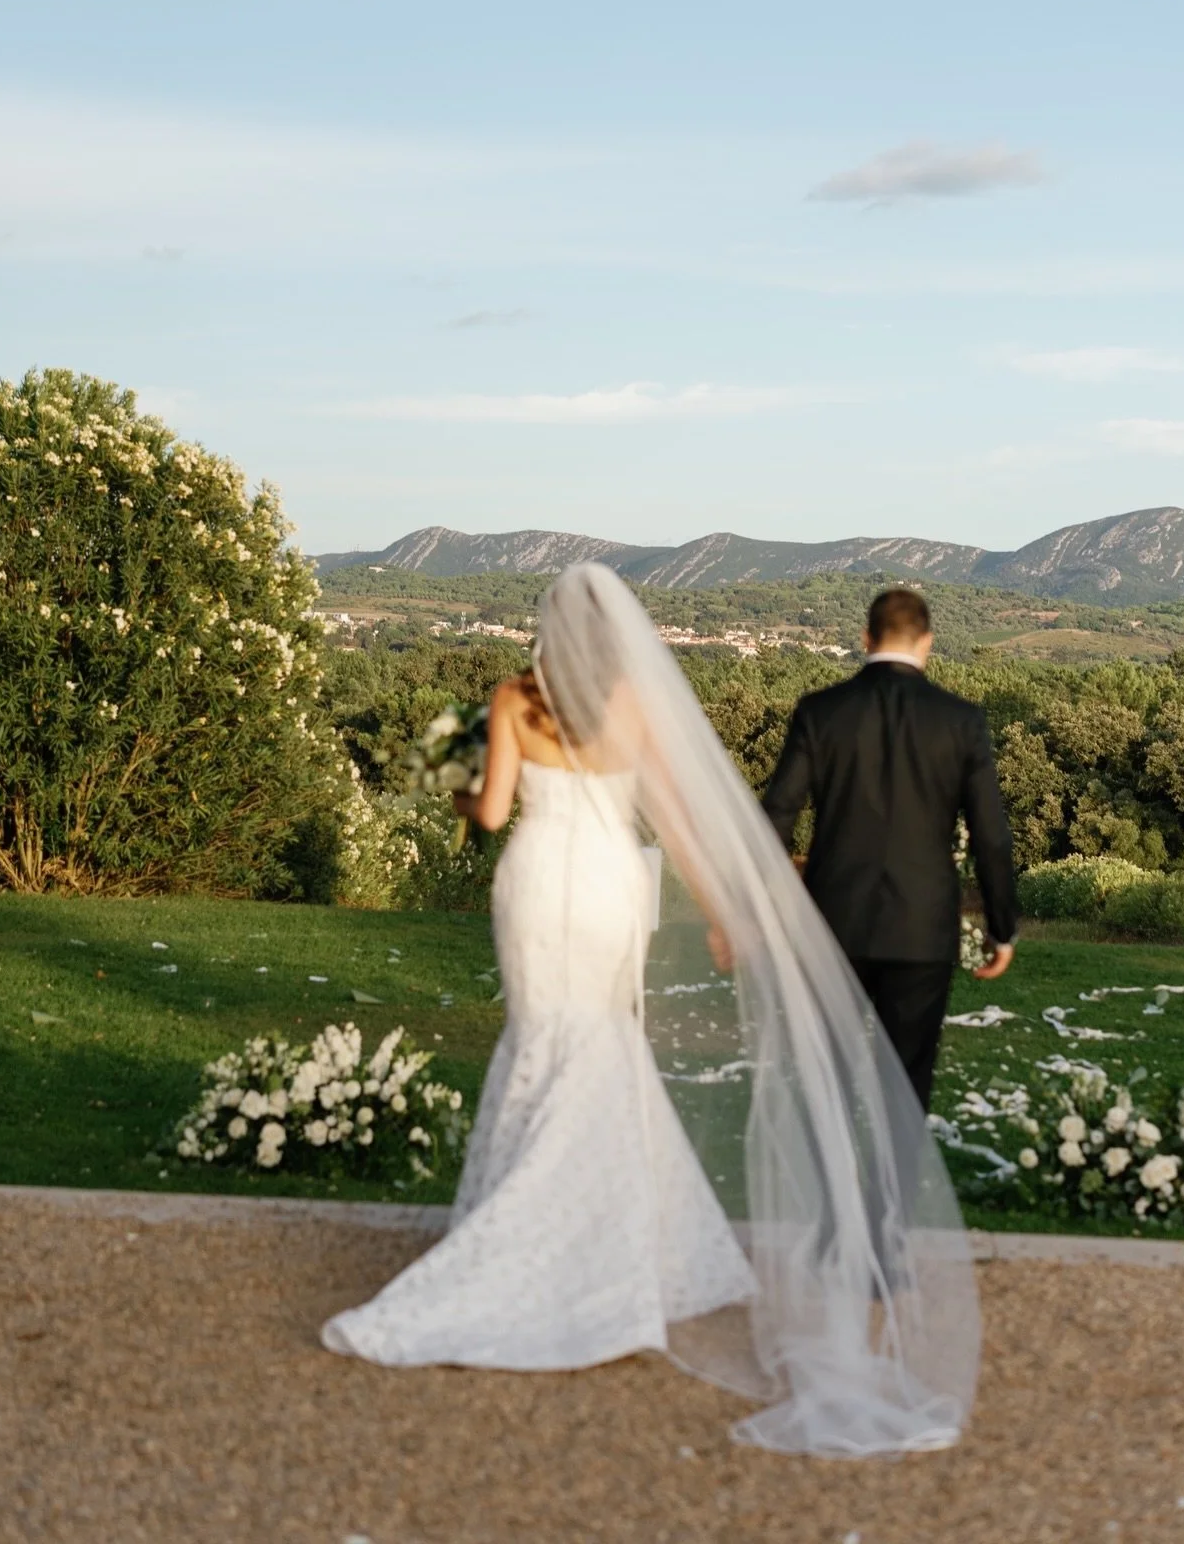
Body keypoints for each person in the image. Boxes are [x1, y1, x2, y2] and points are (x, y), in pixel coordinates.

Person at [323, 564, 980, 1459]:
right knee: (602, 1041)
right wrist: (722, 913)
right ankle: (606, 1242)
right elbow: (677, 823)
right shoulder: (635, 703)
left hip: (537, 877)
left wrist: (447, 763)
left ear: (550, 629)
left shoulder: (514, 697)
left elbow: (488, 812)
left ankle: (537, 1228)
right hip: (607, 890)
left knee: (546, 1039)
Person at [762, 586, 1018, 1114]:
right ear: (926, 642)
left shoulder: (820, 711)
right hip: (921, 927)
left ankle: (829, 1192)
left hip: (832, 920)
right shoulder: (960, 720)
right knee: (906, 1085)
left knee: (823, 1080)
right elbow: (990, 833)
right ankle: (892, 1196)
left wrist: (754, 910)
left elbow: (777, 818)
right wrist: (1001, 926)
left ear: (865, 638)